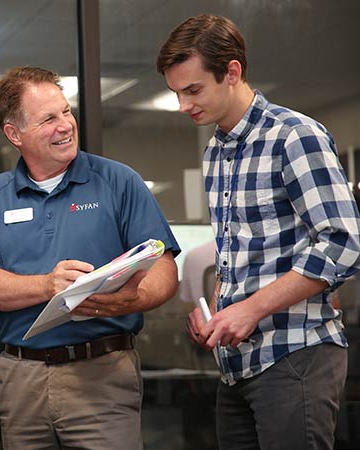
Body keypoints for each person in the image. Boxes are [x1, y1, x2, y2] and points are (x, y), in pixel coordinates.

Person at [157, 14, 360, 450]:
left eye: (193, 90)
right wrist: (216, 312)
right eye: (176, 93)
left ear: (232, 72)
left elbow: (343, 244)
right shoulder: (216, 151)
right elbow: (240, 253)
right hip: (236, 365)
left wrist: (250, 309)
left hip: (295, 355)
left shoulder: (295, 137)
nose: (183, 105)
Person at [0, 66, 180, 450]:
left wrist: (131, 299)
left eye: (66, 111)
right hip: (20, 380)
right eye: (48, 118)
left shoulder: (118, 181)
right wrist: (49, 284)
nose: (65, 125)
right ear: (14, 134)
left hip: (102, 374)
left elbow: (163, 266)